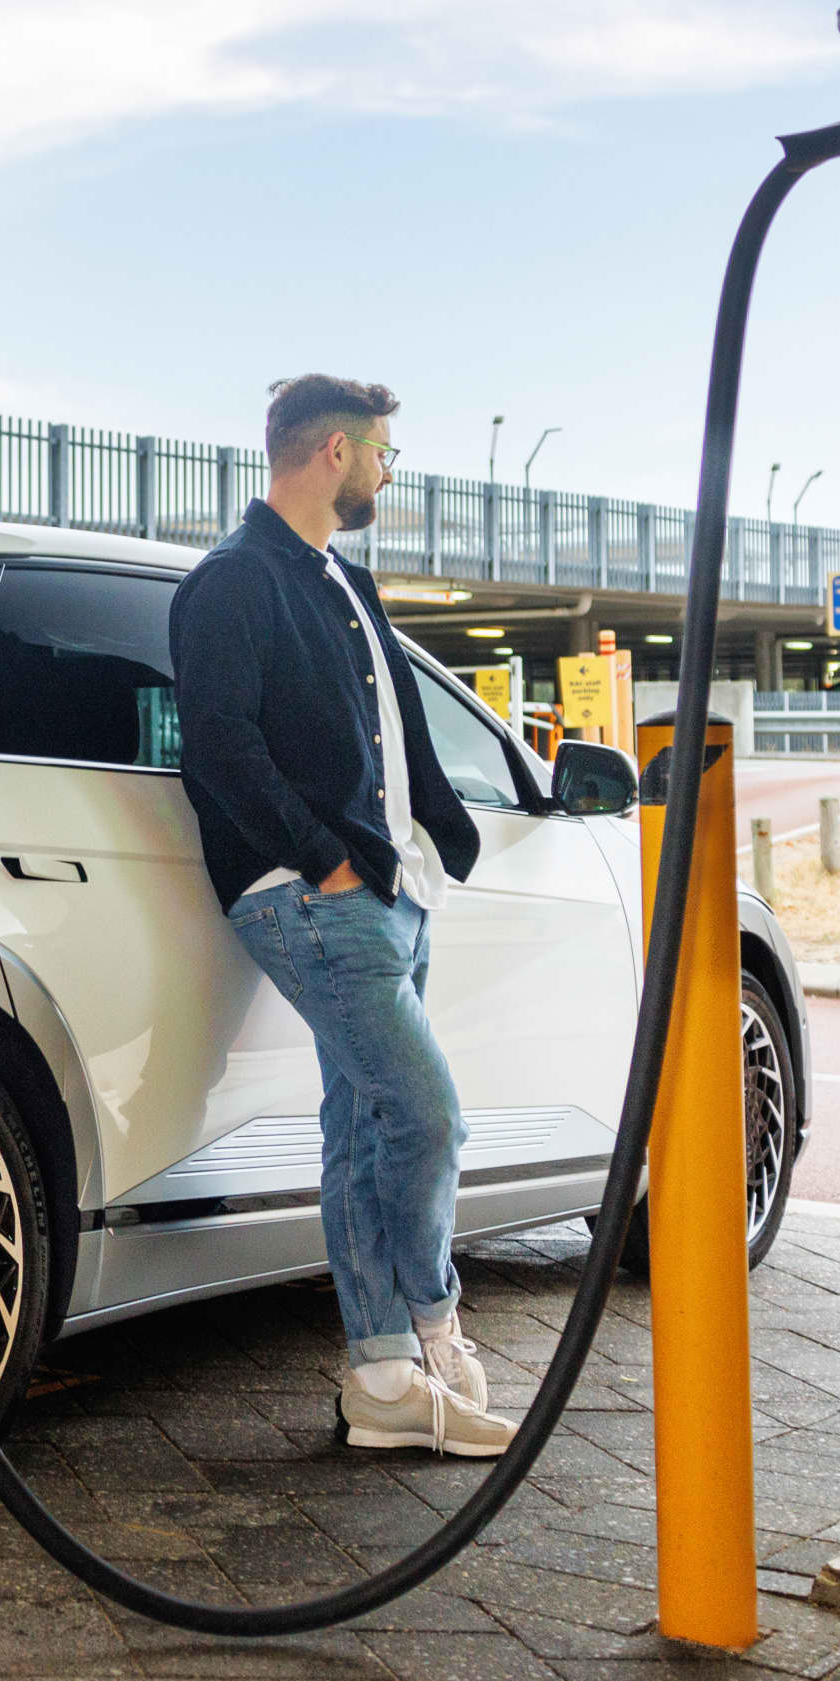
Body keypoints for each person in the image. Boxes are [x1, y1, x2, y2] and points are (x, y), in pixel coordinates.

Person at [170, 375, 513, 1458]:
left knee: (365, 1125)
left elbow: (396, 731)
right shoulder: (232, 582)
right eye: (383, 454)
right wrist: (322, 861)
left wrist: (436, 844)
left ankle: (381, 1377)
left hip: (390, 891)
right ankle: (436, 1327)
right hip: (315, 898)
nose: (388, 473)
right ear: (332, 450)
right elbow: (219, 746)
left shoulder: (343, 584)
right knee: (428, 1115)